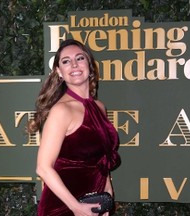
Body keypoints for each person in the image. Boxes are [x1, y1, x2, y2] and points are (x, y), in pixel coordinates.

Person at [28, 39, 121, 216]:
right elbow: (43, 168)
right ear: (59, 72)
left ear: (89, 66)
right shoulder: (62, 110)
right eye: (66, 61)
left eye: (80, 58)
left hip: (93, 202)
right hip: (63, 206)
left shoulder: (99, 107)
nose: (74, 65)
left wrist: (107, 194)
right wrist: (76, 207)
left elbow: (102, 159)